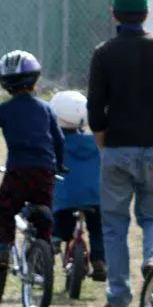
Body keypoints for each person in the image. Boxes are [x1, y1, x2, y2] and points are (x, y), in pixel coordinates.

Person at [87, 0, 153, 307]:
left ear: (115, 14)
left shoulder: (104, 53)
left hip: (116, 148)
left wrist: (103, 145)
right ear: (146, 14)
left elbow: (95, 108)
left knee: (114, 225)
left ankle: (118, 298)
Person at [0, 51, 64, 266]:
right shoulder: (46, 109)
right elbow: (59, 140)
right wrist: (60, 165)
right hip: (45, 173)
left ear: (4, 82)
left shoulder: (2, 110)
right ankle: (41, 262)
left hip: (18, 171)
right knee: (44, 215)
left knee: (2, 211)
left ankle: (1, 250)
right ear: (35, 77)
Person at [49, 90, 106, 282]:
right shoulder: (94, 141)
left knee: (60, 217)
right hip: (95, 195)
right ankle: (100, 260)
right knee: (97, 228)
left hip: (66, 196)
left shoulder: (55, 142)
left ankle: (56, 239)